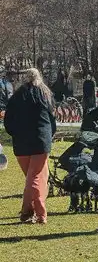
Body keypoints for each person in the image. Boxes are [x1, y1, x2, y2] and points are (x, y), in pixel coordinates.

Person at [3, 69, 57, 224]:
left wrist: (14, 133)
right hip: (41, 140)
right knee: (35, 178)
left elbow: (8, 120)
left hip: (21, 143)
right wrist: (50, 134)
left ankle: (28, 212)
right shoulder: (44, 94)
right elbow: (51, 118)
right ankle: (39, 213)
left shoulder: (17, 96)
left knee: (31, 178)